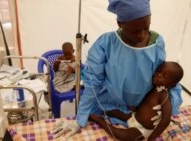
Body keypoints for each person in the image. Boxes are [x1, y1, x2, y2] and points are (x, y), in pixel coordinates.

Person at [51, 0, 183, 138]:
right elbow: (93, 83)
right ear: (120, 23)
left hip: (142, 110)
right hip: (113, 104)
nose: (141, 35)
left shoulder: (157, 43)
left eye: (146, 28)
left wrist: (162, 106)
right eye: (135, 30)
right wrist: (79, 120)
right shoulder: (106, 44)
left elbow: (165, 78)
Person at [89, 61, 184, 141]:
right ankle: (103, 112)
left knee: (122, 136)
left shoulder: (164, 96)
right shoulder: (153, 87)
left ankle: (100, 121)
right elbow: (148, 103)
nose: (158, 75)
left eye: (164, 76)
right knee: (116, 113)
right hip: (134, 117)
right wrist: (137, 108)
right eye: (158, 71)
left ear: (172, 84)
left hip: (142, 129)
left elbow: (166, 120)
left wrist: (152, 138)